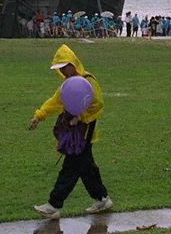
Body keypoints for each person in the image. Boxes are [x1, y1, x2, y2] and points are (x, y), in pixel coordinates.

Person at [29, 45, 112, 219]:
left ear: (73, 64)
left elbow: (98, 105)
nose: (63, 72)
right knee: (86, 167)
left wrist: (81, 118)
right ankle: (102, 198)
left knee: (70, 168)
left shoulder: (88, 81)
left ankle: (53, 205)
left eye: (64, 67)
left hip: (84, 134)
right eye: (60, 69)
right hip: (75, 133)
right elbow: (55, 101)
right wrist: (39, 115)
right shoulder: (67, 85)